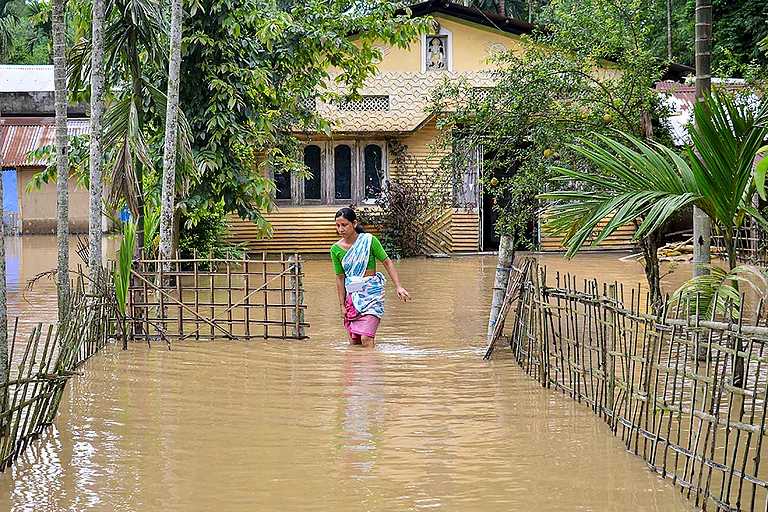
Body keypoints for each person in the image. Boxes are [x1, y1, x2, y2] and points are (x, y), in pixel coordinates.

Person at [331, 208, 411, 348]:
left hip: (372, 296)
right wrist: (342, 305)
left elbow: (387, 262)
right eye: (338, 225)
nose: (341, 229)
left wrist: (398, 286)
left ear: (354, 223)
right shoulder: (335, 249)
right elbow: (340, 278)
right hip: (352, 299)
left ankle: (371, 362)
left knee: (366, 339)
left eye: (344, 225)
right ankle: (360, 363)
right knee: (355, 343)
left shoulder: (369, 241)